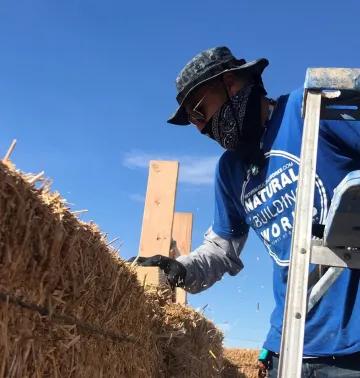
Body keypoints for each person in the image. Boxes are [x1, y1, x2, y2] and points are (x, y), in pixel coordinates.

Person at [129, 46, 360, 377]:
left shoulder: (307, 110)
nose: (200, 128)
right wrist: (180, 269)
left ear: (231, 84)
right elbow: (222, 250)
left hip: (352, 344)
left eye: (198, 111)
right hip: (290, 345)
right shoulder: (230, 170)